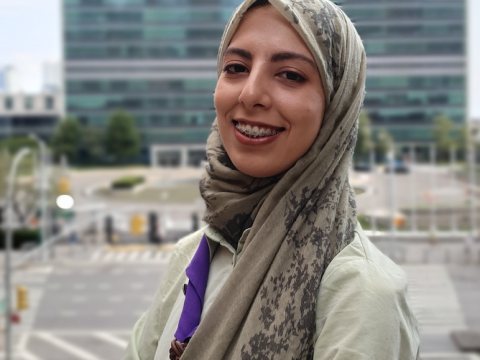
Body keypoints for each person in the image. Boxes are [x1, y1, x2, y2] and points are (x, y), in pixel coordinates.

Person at [124, 0, 420, 359]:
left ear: (337, 106)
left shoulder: (360, 293)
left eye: (291, 75)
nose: (250, 94)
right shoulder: (193, 255)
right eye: (235, 67)